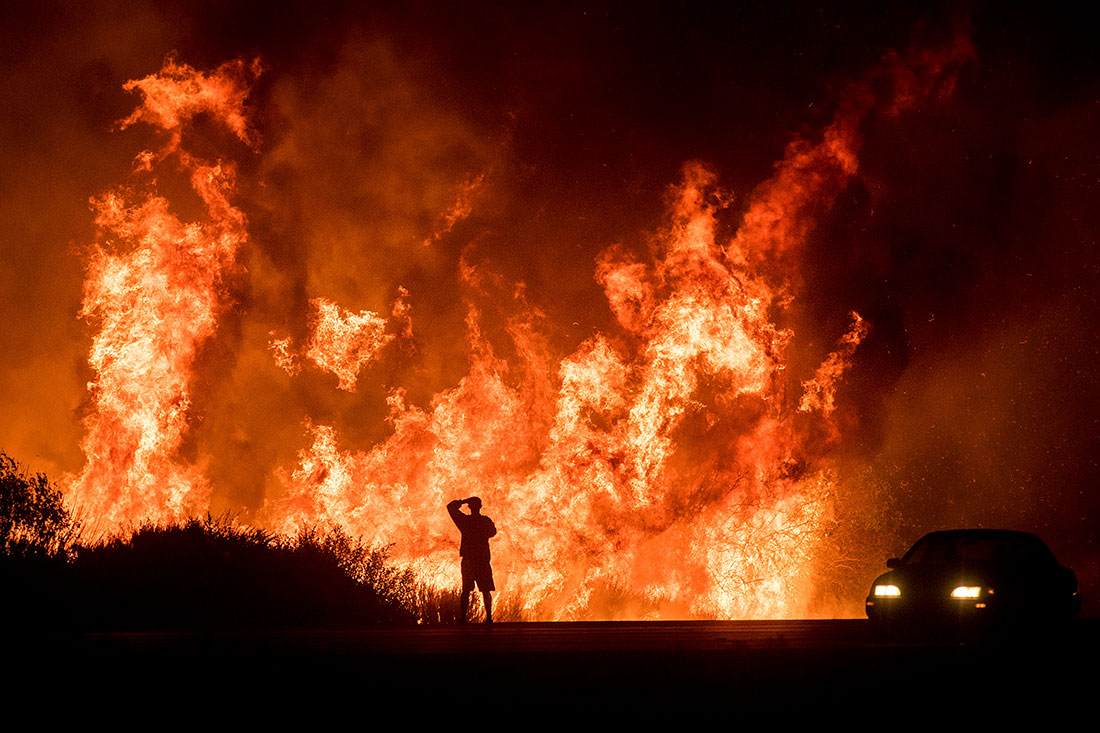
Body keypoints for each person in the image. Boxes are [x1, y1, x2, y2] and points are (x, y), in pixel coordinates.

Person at [447, 496, 497, 623]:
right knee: (485, 590)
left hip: (469, 559)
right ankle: (489, 618)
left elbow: (450, 507)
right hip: (481, 559)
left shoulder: (464, 522)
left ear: (469, 507)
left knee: (466, 591)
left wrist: (464, 501)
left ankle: (463, 618)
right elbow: (493, 532)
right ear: (480, 507)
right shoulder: (485, 521)